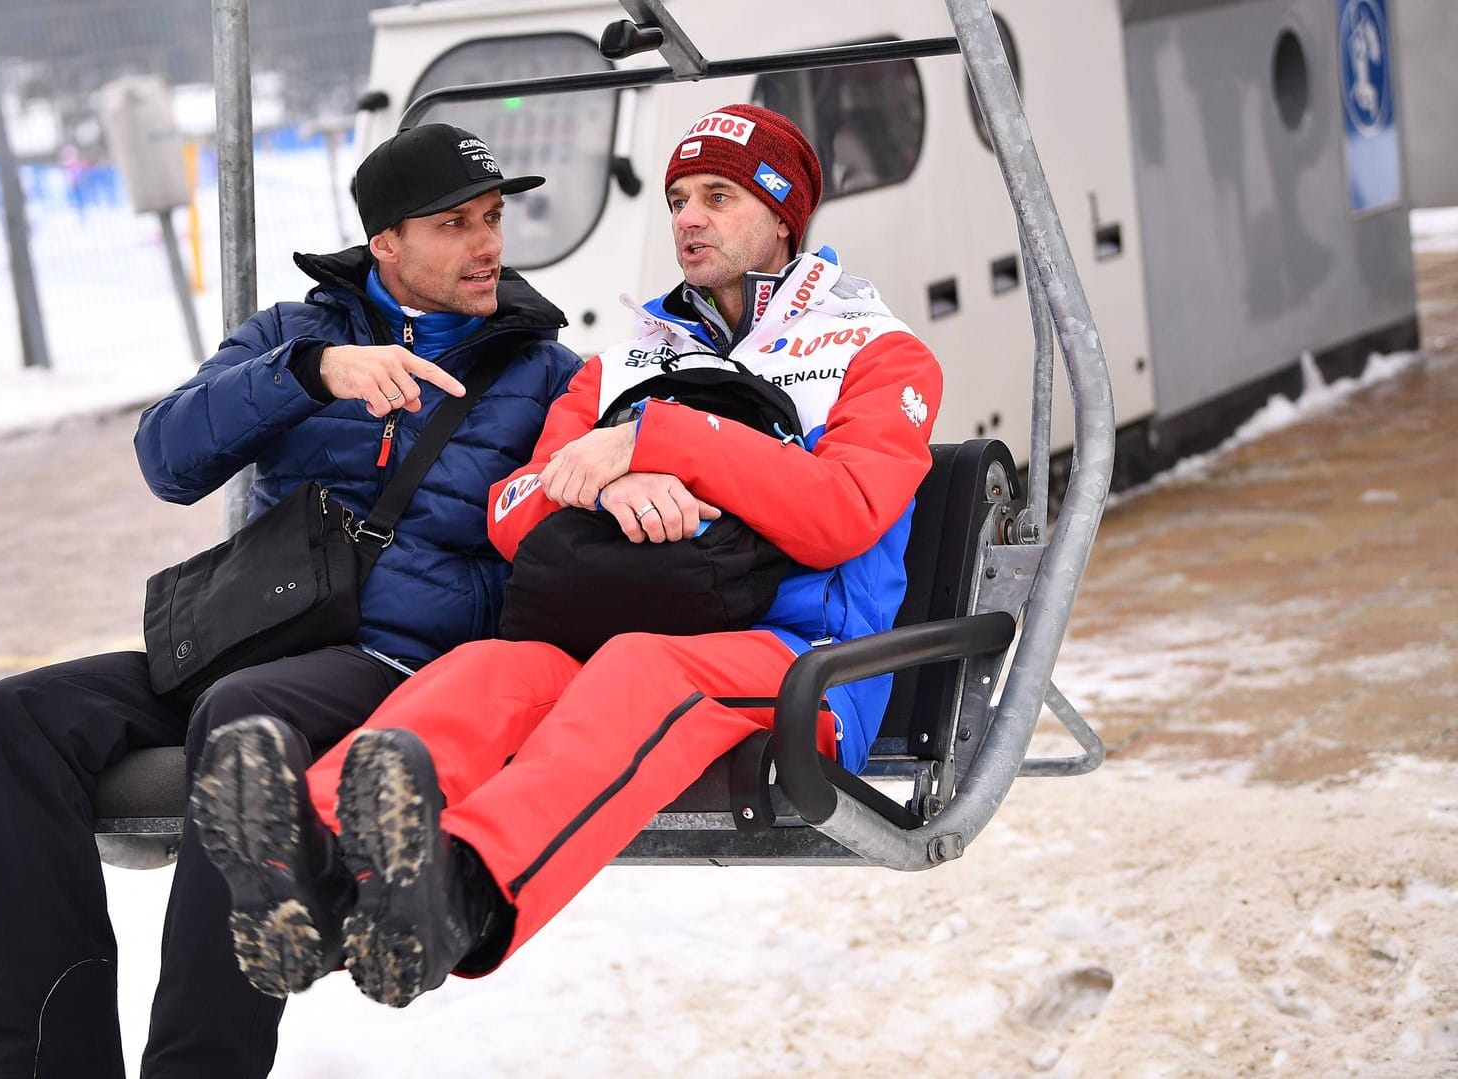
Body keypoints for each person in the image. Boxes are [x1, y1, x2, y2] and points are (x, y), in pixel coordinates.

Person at [189, 103, 945, 1008]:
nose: (687, 219)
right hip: (609, 636)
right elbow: (514, 510)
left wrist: (656, 443)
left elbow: (845, 514)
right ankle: (304, 859)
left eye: (717, 196)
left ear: (785, 216)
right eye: (675, 198)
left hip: (798, 664)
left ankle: (460, 888)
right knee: (488, 670)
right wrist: (604, 481)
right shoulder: (628, 357)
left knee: (641, 669)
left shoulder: (878, 352)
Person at [0, 123, 583, 1077]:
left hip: (399, 668)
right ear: (385, 242)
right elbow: (167, 459)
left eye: (495, 217)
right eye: (455, 223)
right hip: (256, 637)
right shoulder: (292, 337)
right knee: (22, 714)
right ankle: (47, 1062)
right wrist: (304, 377)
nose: (489, 243)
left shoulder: (547, 375)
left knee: (239, 715)